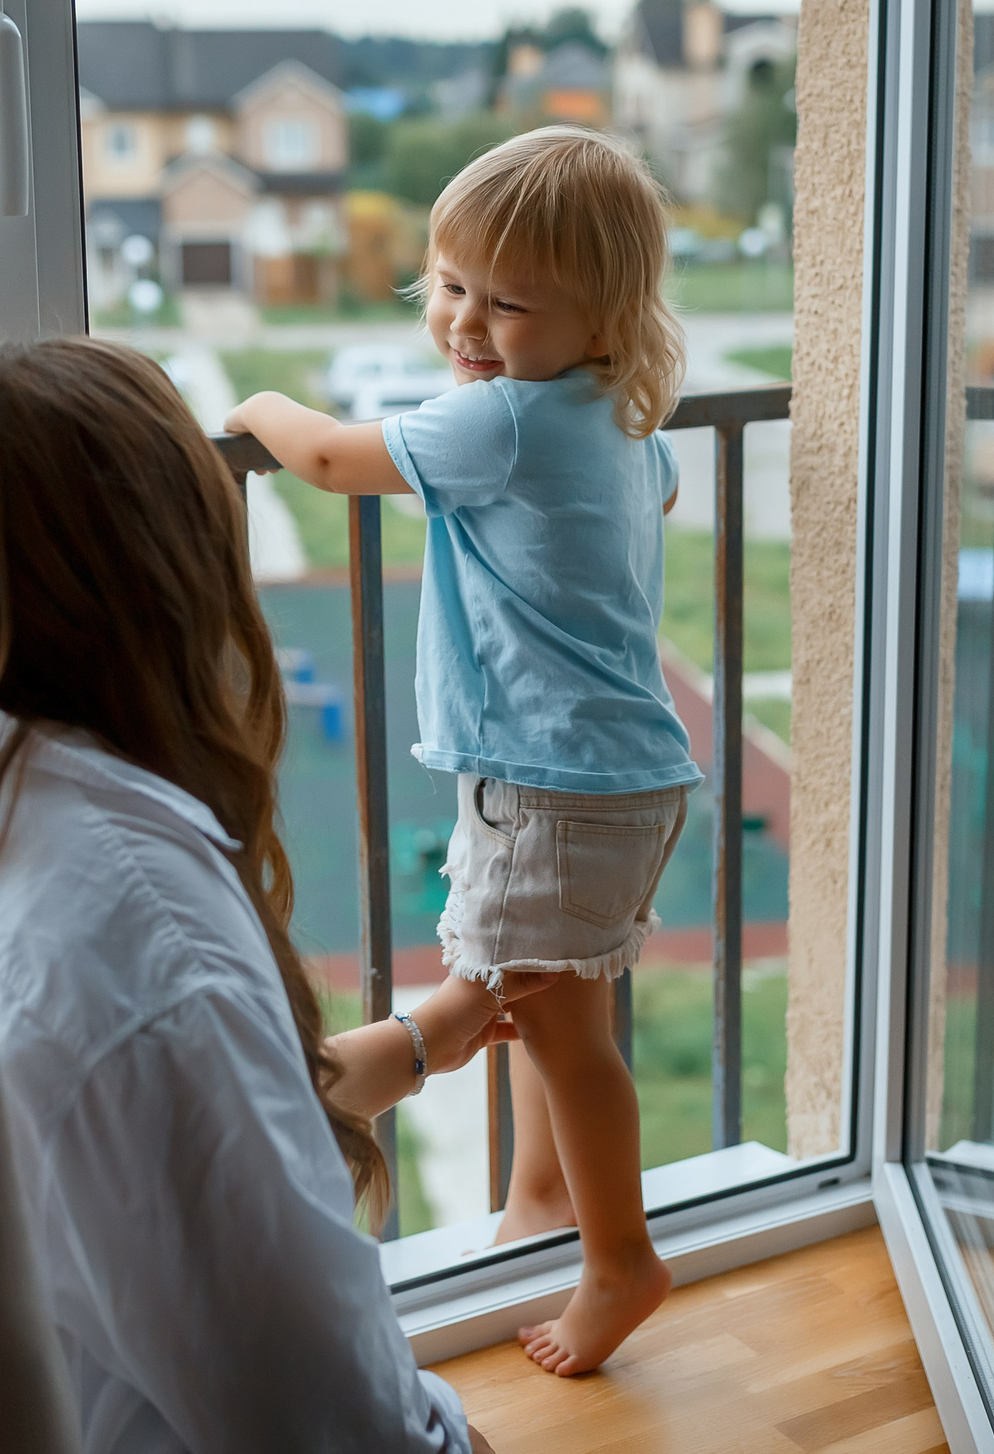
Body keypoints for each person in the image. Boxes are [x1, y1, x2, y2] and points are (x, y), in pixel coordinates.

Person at [0, 335, 536, 1452]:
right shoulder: (144, 944)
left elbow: (150, 1148)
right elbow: (327, 1422)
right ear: (164, 569)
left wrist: (428, 1036)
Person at [227, 125, 698, 1378]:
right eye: (451, 288)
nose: (467, 327)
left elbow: (326, 458)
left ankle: (616, 1257)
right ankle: (539, 1202)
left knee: (559, 1032)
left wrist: (251, 408)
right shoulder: (621, 416)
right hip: (622, 776)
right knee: (547, 1011)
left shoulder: (494, 423)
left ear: (601, 311)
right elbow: (652, 501)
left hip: (551, 786)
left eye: (508, 303)